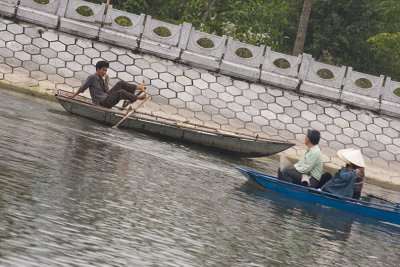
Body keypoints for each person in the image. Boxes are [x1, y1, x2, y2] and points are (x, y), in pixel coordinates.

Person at [68, 61, 147, 108]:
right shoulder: (92, 77)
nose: (104, 72)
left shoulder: (102, 78)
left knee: (120, 83)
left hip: (106, 97)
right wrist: (73, 95)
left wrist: (106, 80)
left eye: (106, 70)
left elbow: (106, 90)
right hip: (102, 102)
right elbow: (83, 87)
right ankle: (138, 98)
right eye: (103, 70)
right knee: (121, 92)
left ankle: (140, 88)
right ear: (98, 69)